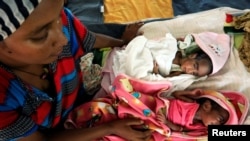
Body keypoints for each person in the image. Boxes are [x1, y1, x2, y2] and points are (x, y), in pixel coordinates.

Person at [0, 0, 151, 141]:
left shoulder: (57, 24)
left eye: (59, 15)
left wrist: (123, 43)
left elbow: (86, 39)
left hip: (82, 105)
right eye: (40, 36)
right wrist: (109, 128)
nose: (63, 39)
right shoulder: (4, 98)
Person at [64, 74, 238, 141]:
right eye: (220, 119)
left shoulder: (201, 128)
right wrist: (192, 95)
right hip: (157, 109)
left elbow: (181, 131)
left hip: (160, 126)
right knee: (118, 110)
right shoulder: (193, 104)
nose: (218, 124)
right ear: (207, 105)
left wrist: (169, 126)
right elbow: (174, 98)